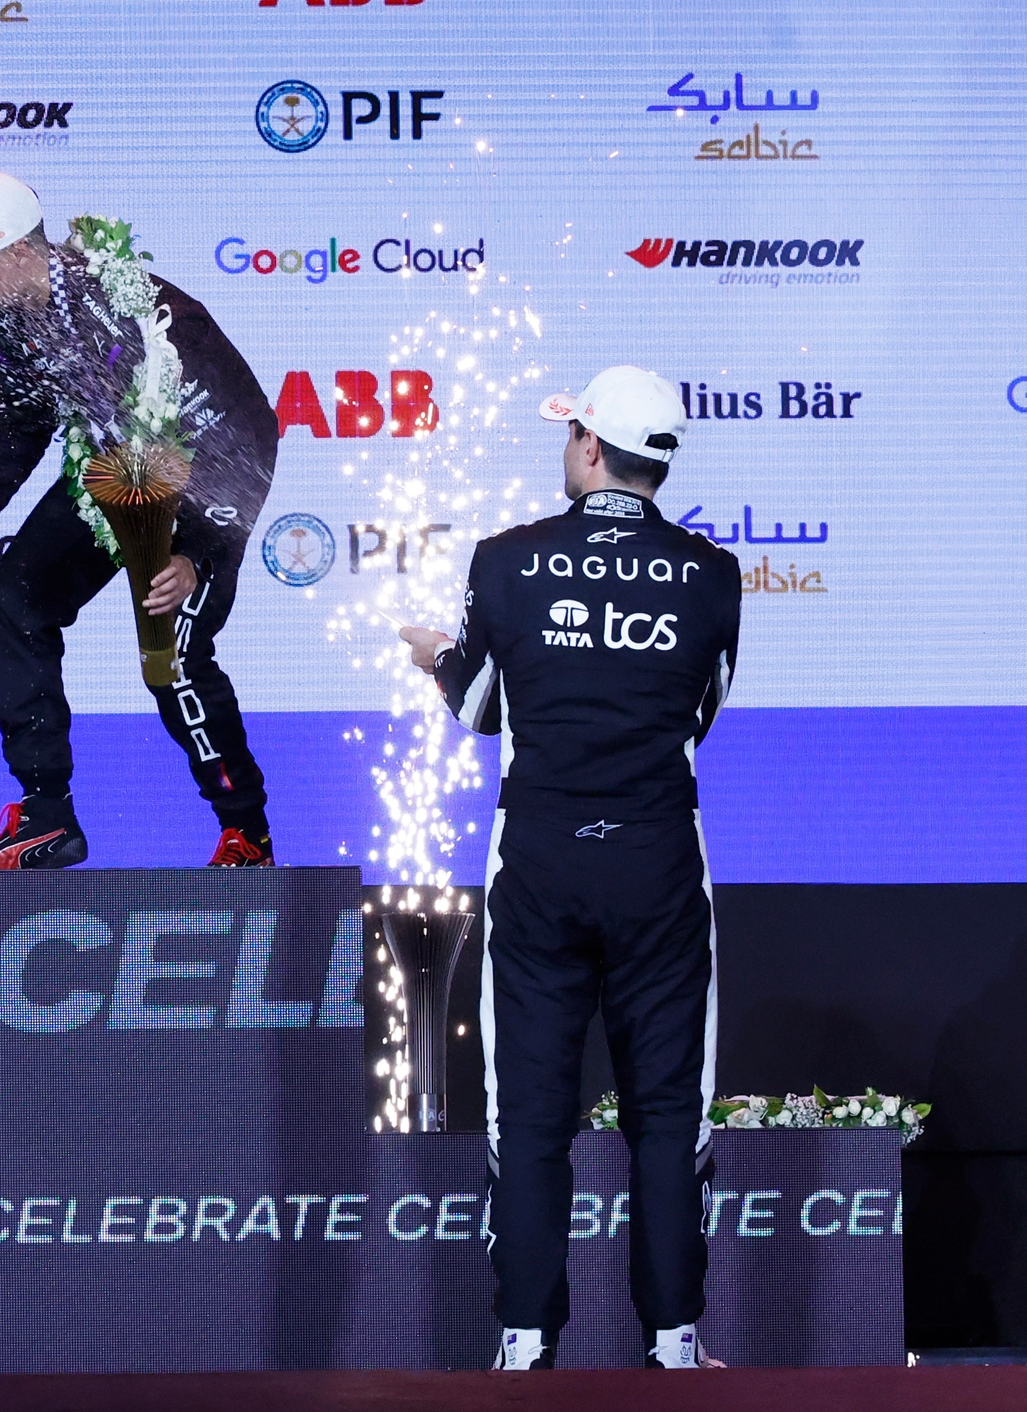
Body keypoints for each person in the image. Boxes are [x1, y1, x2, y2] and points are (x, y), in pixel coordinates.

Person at [397, 367, 741, 1371]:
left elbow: (476, 710)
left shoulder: (505, 561)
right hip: (657, 859)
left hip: (539, 859)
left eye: (568, 432)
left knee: (529, 1111)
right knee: (669, 1112)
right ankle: (673, 1342)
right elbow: (697, 717)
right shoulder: (712, 572)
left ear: (590, 445)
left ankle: (522, 1340)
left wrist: (433, 658)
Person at [0, 173, 278, 870]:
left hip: (206, 479)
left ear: (14, 250)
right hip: (117, 467)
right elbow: (24, 422)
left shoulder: (149, 315)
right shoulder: (4, 317)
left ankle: (247, 837)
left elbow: (247, 437)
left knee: (172, 656)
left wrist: (199, 555)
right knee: (13, 600)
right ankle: (48, 819)